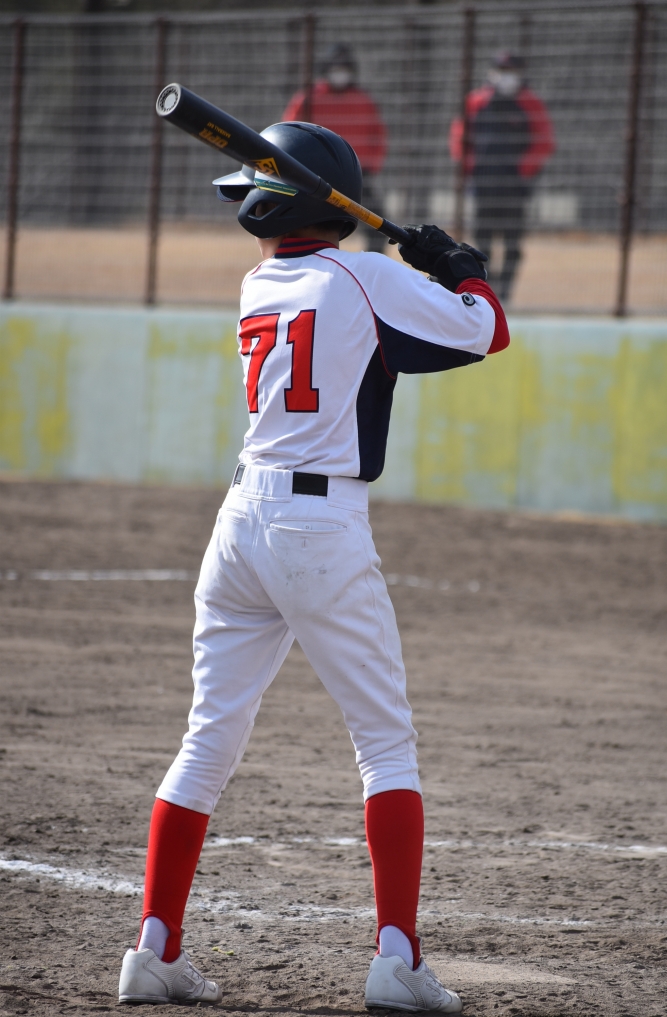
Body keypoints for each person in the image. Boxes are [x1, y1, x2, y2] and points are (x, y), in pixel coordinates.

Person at [117, 120, 509, 1008]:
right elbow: (487, 331)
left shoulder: (261, 282)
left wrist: (422, 271)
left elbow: (387, 342)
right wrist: (458, 270)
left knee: (208, 736)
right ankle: (397, 960)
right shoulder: (362, 274)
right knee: (386, 743)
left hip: (239, 523)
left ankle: (154, 945)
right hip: (318, 529)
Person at [449, 49, 555, 301]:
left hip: (514, 186)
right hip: (484, 183)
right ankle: (486, 291)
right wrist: (470, 167)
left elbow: (544, 141)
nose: (507, 76)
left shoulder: (531, 103)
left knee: (512, 243)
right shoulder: (476, 101)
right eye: (502, 71)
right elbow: (459, 137)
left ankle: (505, 294)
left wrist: (522, 170)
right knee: (481, 243)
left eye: (512, 71)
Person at [282, 43, 388, 253]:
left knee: (378, 227)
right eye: (336, 68)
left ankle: (370, 263)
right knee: (306, 225)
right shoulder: (308, 98)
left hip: (356, 175)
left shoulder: (363, 100)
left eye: (344, 68)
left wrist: (371, 166)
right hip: (314, 175)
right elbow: (288, 133)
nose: (340, 74)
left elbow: (378, 134)